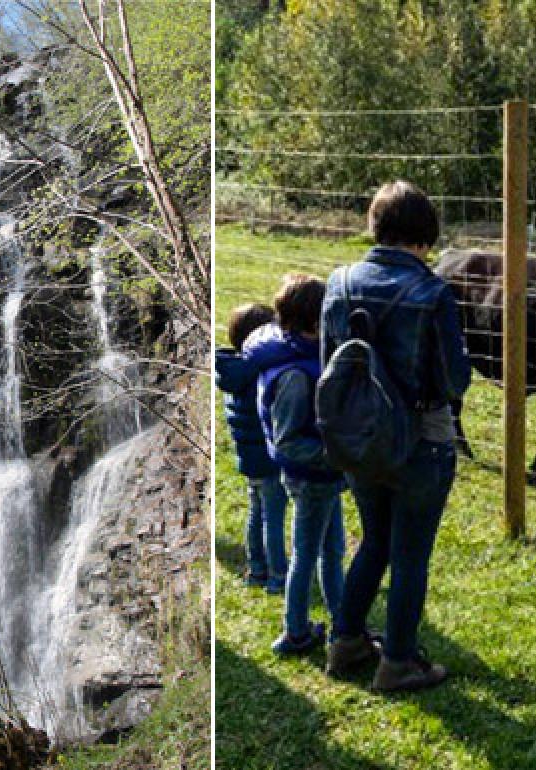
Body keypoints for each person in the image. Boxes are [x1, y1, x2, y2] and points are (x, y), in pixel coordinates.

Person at [321, 180, 471, 690]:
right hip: (422, 438)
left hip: (359, 436)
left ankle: (344, 641)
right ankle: (399, 661)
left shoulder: (338, 283)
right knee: (410, 554)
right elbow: (455, 381)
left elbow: (327, 367)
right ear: (424, 239)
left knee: (373, 542)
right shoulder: (433, 292)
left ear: (375, 227)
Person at [243, 274, 345, 655]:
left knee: (332, 551)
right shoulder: (294, 375)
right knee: (306, 556)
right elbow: (288, 440)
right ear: (313, 323)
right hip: (311, 477)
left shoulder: (295, 355)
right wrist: (336, 455)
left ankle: (341, 622)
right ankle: (296, 632)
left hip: (324, 475)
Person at [214, 303, 288, 593]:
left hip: (249, 457)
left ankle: (256, 569)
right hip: (268, 457)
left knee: (256, 512)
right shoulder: (256, 372)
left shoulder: (233, 371)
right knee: (272, 517)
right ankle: (277, 575)